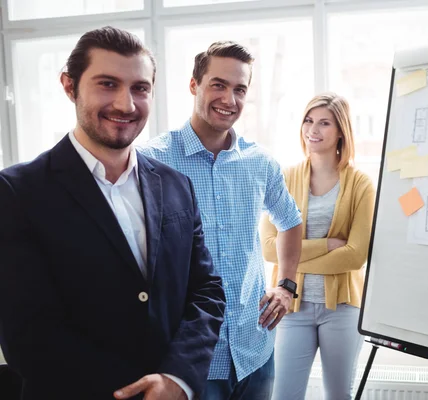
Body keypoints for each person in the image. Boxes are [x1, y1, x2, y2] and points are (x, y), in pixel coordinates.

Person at [0, 27, 226, 400]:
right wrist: (138, 392)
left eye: (140, 88)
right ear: (69, 86)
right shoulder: (17, 193)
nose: (126, 104)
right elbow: (29, 333)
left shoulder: (176, 185)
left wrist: (178, 378)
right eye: (107, 84)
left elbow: (206, 290)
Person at [138, 41, 302, 399]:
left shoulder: (260, 163)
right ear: (194, 85)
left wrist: (286, 285)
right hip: (191, 357)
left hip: (254, 347)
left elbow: (290, 220)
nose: (229, 99)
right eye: (218, 84)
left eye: (239, 89)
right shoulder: (151, 161)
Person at [260, 93, 375, 400]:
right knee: (284, 395)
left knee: (338, 395)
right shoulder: (283, 177)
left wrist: (294, 257)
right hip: (290, 306)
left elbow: (355, 257)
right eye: (309, 121)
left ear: (341, 131)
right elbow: (270, 249)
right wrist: (327, 244)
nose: (313, 129)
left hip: (342, 309)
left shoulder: (361, 184)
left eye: (324, 123)